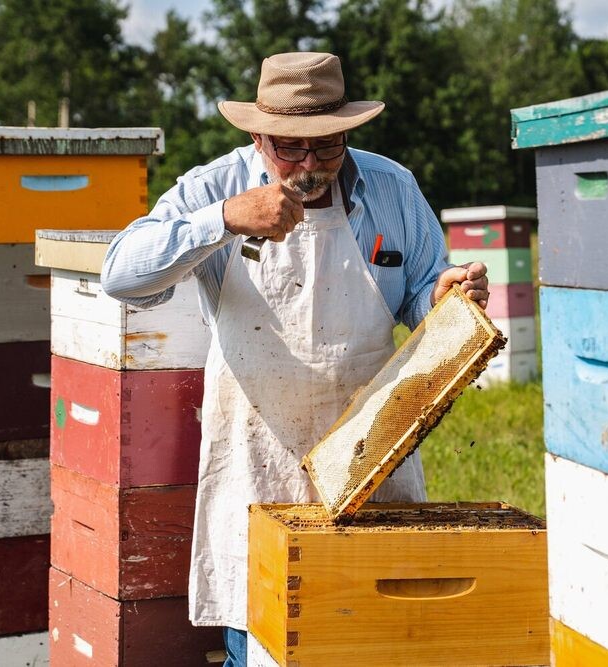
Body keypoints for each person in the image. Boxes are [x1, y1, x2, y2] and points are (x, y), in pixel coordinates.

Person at [101, 51, 489, 666]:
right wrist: (224, 220)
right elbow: (120, 272)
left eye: (327, 146)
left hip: (369, 459)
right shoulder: (214, 187)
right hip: (256, 461)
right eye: (290, 148)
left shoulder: (392, 188)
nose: (310, 166)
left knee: (373, 643)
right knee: (262, 647)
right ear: (257, 135)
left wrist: (444, 298)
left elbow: (422, 294)